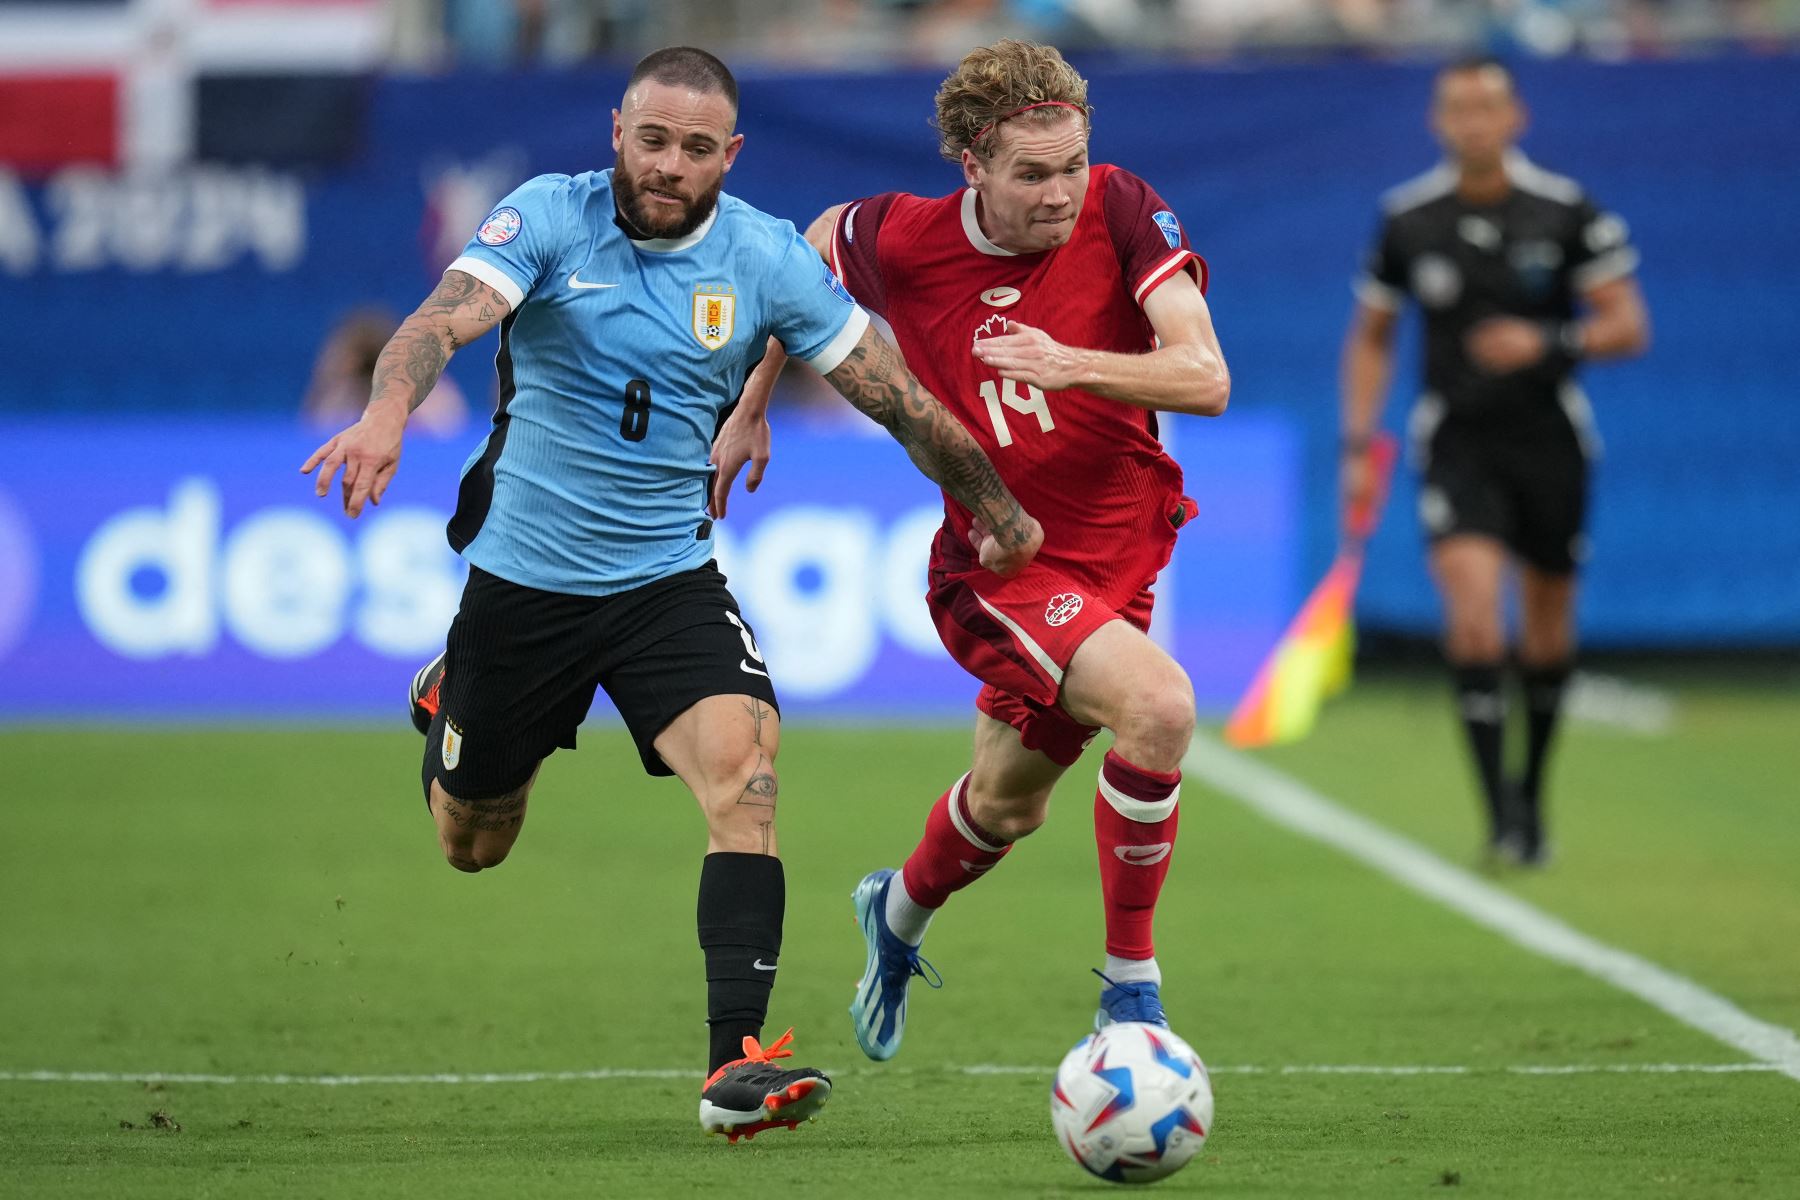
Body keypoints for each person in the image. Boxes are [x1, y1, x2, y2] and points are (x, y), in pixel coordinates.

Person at [300, 46, 1042, 1138]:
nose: (669, 164)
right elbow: (436, 324)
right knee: (474, 843)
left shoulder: (766, 259)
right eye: (653, 139)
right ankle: (450, 698)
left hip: (665, 580)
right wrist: (384, 415)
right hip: (526, 583)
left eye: (697, 148)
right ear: (617, 132)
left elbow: (896, 397)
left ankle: (732, 1069)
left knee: (747, 778)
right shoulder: (548, 219)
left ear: (728, 156)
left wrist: (998, 506)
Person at [712, 39, 1229, 1062]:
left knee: (1005, 805)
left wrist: (1069, 363)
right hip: (1000, 565)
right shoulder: (904, 240)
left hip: (1122, 551)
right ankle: (1132, 993)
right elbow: (804, 252)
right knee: (1161, 707)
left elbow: (1204, 374)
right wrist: (753, 399)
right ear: (973, 168)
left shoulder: (1125, 209)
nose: (1061, 193)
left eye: (1072, 165)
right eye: (1033, 175)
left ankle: (895, 911)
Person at [1340, 57, 1649, 866]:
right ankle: (1500, 816)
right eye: (1457, 108)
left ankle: (1534, 792)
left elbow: (1627, 324)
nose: (1473, 121)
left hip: (1550, 440)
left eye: (1488, 107)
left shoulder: (1565, 210)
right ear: (1438, 123)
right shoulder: (1410, 219)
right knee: (1476, 619)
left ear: (1516, 119)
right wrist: (1357, 445)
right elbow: (1372, 336)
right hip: (1457, 442)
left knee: (1546, 628)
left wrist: (1551, 340)